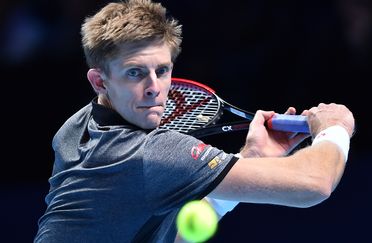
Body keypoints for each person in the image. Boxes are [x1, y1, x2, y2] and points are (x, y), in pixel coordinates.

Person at [34, 0, 355, 242]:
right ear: (100, 81)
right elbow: (314, 184)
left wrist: (252, 159)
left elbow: (167, 236)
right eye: (135, 73)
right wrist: (336, 128)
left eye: (161, 70)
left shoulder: (75, 129)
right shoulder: (152, 154)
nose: (154, 88)